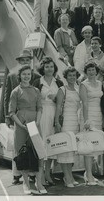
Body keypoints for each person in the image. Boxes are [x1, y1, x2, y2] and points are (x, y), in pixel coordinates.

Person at [4, 49, 40, 185]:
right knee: (17, 145)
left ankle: (31, 173)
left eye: (27, 60)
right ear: (19, 61)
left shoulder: (35, 76)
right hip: (17, 116)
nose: (25, 62)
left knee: (31, 143)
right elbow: (7, 96)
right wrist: (7, 116)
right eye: (23, 60)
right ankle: (16, 174)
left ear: (30, 62)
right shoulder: (12, 75)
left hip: (31, 116)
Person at [9, 65, 46, 194]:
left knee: (39, 151)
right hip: (21, 125)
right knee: (22, 153)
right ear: (20, 76)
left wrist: (38, 121)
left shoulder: (36, 90)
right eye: (24, 74)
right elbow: (11, 112)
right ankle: (26, 183)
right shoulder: (15, 91)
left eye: (28, 74)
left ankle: (39, 182)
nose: (26, 76)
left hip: (34, 124)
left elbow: (40, 108)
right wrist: (20, 125)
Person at [32, 57, 63, 186]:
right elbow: (32, 99)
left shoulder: (59, 82)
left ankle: (48, 174)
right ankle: (40, 175)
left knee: (52, 143)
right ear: (43, 69)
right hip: (42, 114)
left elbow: (63, 100)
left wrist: (56, 98)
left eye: (51, 66)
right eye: (47, 67)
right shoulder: (37, 81)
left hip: (54, 114)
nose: (49, 69)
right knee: (42, 143)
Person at [54, 67, 81, 187]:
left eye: (74, 75)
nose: (72, 78)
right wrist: (57, 123)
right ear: (66, 77)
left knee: (72, 150)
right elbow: (58, 107)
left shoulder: (78, 89)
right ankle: (67, 177)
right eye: (70, 75)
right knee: (65, 150)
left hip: (75, 121)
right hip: (65, 121)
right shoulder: (62, 89)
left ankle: (69, 175)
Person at [79, 62, 104, 185]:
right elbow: (84, 103)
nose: (91, 72)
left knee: (95, 145)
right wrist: (86, 120)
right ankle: (88, 174)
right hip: (88, 116)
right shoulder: (83, 85)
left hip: (98, 115)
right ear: (86, 72)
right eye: (88, 70)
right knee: (87, 146)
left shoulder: (100, 83)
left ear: (96, 71)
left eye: (93, 70)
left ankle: (90, 173)